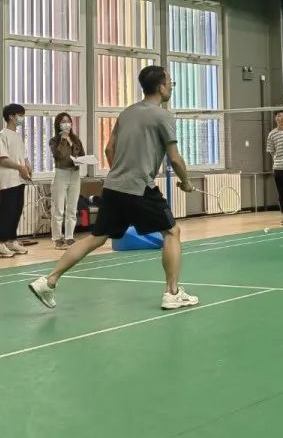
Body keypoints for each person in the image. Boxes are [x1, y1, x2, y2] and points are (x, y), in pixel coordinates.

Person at [28, 65, 199, 311]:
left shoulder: (126, 113)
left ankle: (49, 280)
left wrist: (121, 171)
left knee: (96, 238)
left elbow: (109, 149)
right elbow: (175, 159)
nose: (171, 86)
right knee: (172, 232)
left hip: (113, 186)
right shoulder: (164, 117)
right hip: (140, 187)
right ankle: (172, 293)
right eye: (169, 82)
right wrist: (187, 182)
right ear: (161, 87)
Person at [0, 103, 32, 258]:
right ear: (11, 116)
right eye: (20, 115)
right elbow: (2, 159)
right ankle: (0, 244)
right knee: (6, 211)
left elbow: (23, 156)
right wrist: (19, 167)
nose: (22, 118)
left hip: (19, 179)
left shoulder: (17, 136)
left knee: (17, 210)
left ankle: (11, 240)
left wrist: (27, 166)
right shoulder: (2, 135)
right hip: (7, 180)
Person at [48, 112, 85, 249]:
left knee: (72, 208)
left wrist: (80, 160)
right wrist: (63, 140)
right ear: (58, 125)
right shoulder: (54, 141)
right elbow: (60, 155)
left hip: (74, 174)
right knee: (58, 209)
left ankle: (69, 237)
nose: (66, 124)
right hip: (61, 174)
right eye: (63, 122)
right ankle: (57, 239)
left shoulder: (76, 139)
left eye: (68, 121)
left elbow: (82, 155)